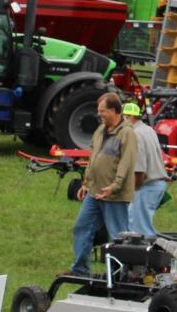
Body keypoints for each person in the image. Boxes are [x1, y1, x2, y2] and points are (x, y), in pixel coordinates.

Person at [67, 93, 138, 275]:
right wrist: (86, 183)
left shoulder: (127, 133)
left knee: (118, 237)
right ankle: (80, 270)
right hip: (94, 192)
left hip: (114, 195)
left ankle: (120, 274)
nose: (99, 115)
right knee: (81, 227)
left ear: (114, 110)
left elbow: (126, 163)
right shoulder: (100, 130)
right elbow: (93, 158)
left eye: (103, 111)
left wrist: (114, 186)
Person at [123, 102, 168, 237]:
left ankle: (144, 255)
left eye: (123, 117)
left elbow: (139, 169)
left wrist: (134, 190)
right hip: (157, 183)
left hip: (145, 185)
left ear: (130, 117)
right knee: (144, 224)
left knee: (139, 230)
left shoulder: (135, 134)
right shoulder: (148, 129)